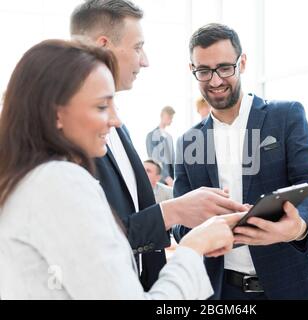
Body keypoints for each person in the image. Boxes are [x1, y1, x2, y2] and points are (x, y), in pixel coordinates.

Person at [0, 39, 240, 300]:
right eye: (102, 106)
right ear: (55, 113)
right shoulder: (59, 181)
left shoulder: (23, 180)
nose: (115, 120)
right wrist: (196, 246)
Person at [70, 0, 247, 290]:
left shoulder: (117, 125)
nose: (145, 60)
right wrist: (175, 213)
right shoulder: (72, 134)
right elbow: (94, 240)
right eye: (138, 46)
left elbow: (129, 218)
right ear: (104, 46)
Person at [173, 23, 308, 300]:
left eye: (225, 68)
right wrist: (204, 225)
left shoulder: (285, 116)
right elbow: (179, 223)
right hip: (222, 290)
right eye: (204, 71)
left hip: (290, 282)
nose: (215, 81)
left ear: (242, 63)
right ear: (192, 71)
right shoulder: (187, 142)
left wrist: (299, 227)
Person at [146, 106, 175, 186]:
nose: (171, 120)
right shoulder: (151, 135)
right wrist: (166, 177)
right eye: (169, 117)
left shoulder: (169, 137)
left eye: (172, 117)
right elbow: (154, 160)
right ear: (162, 116)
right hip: (161, 179)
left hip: (172, 179)